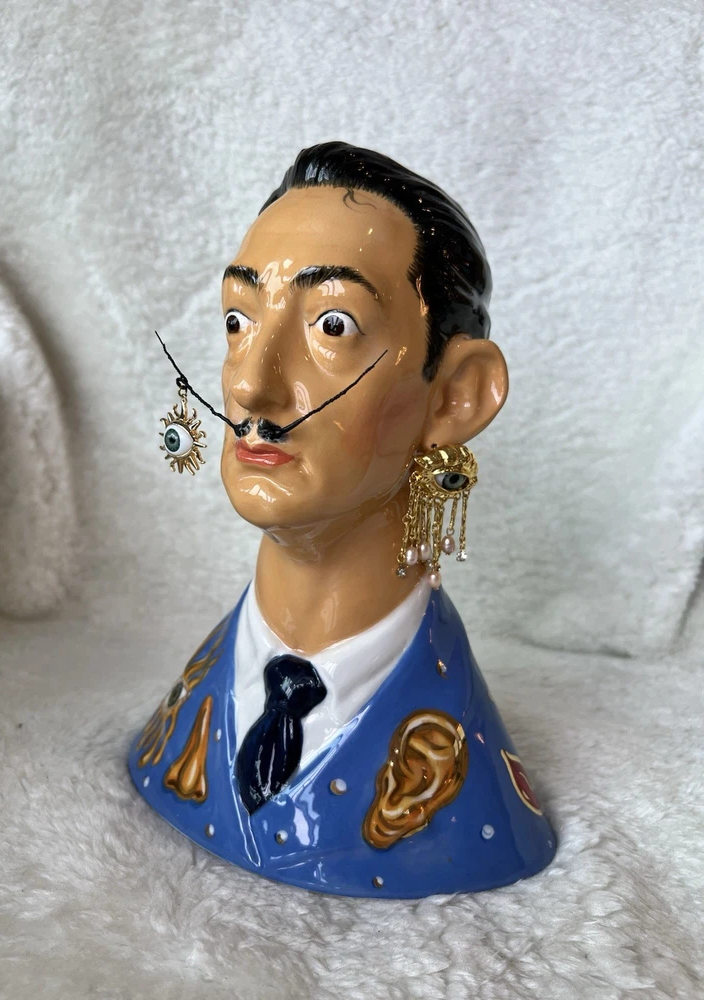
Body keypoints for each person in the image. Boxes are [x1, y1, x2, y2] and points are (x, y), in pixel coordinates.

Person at [129, 142, 557, 898]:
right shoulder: (183, 724)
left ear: (455, 396)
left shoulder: (457, 779)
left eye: (333, 326)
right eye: (239, 318)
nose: (252, 386)